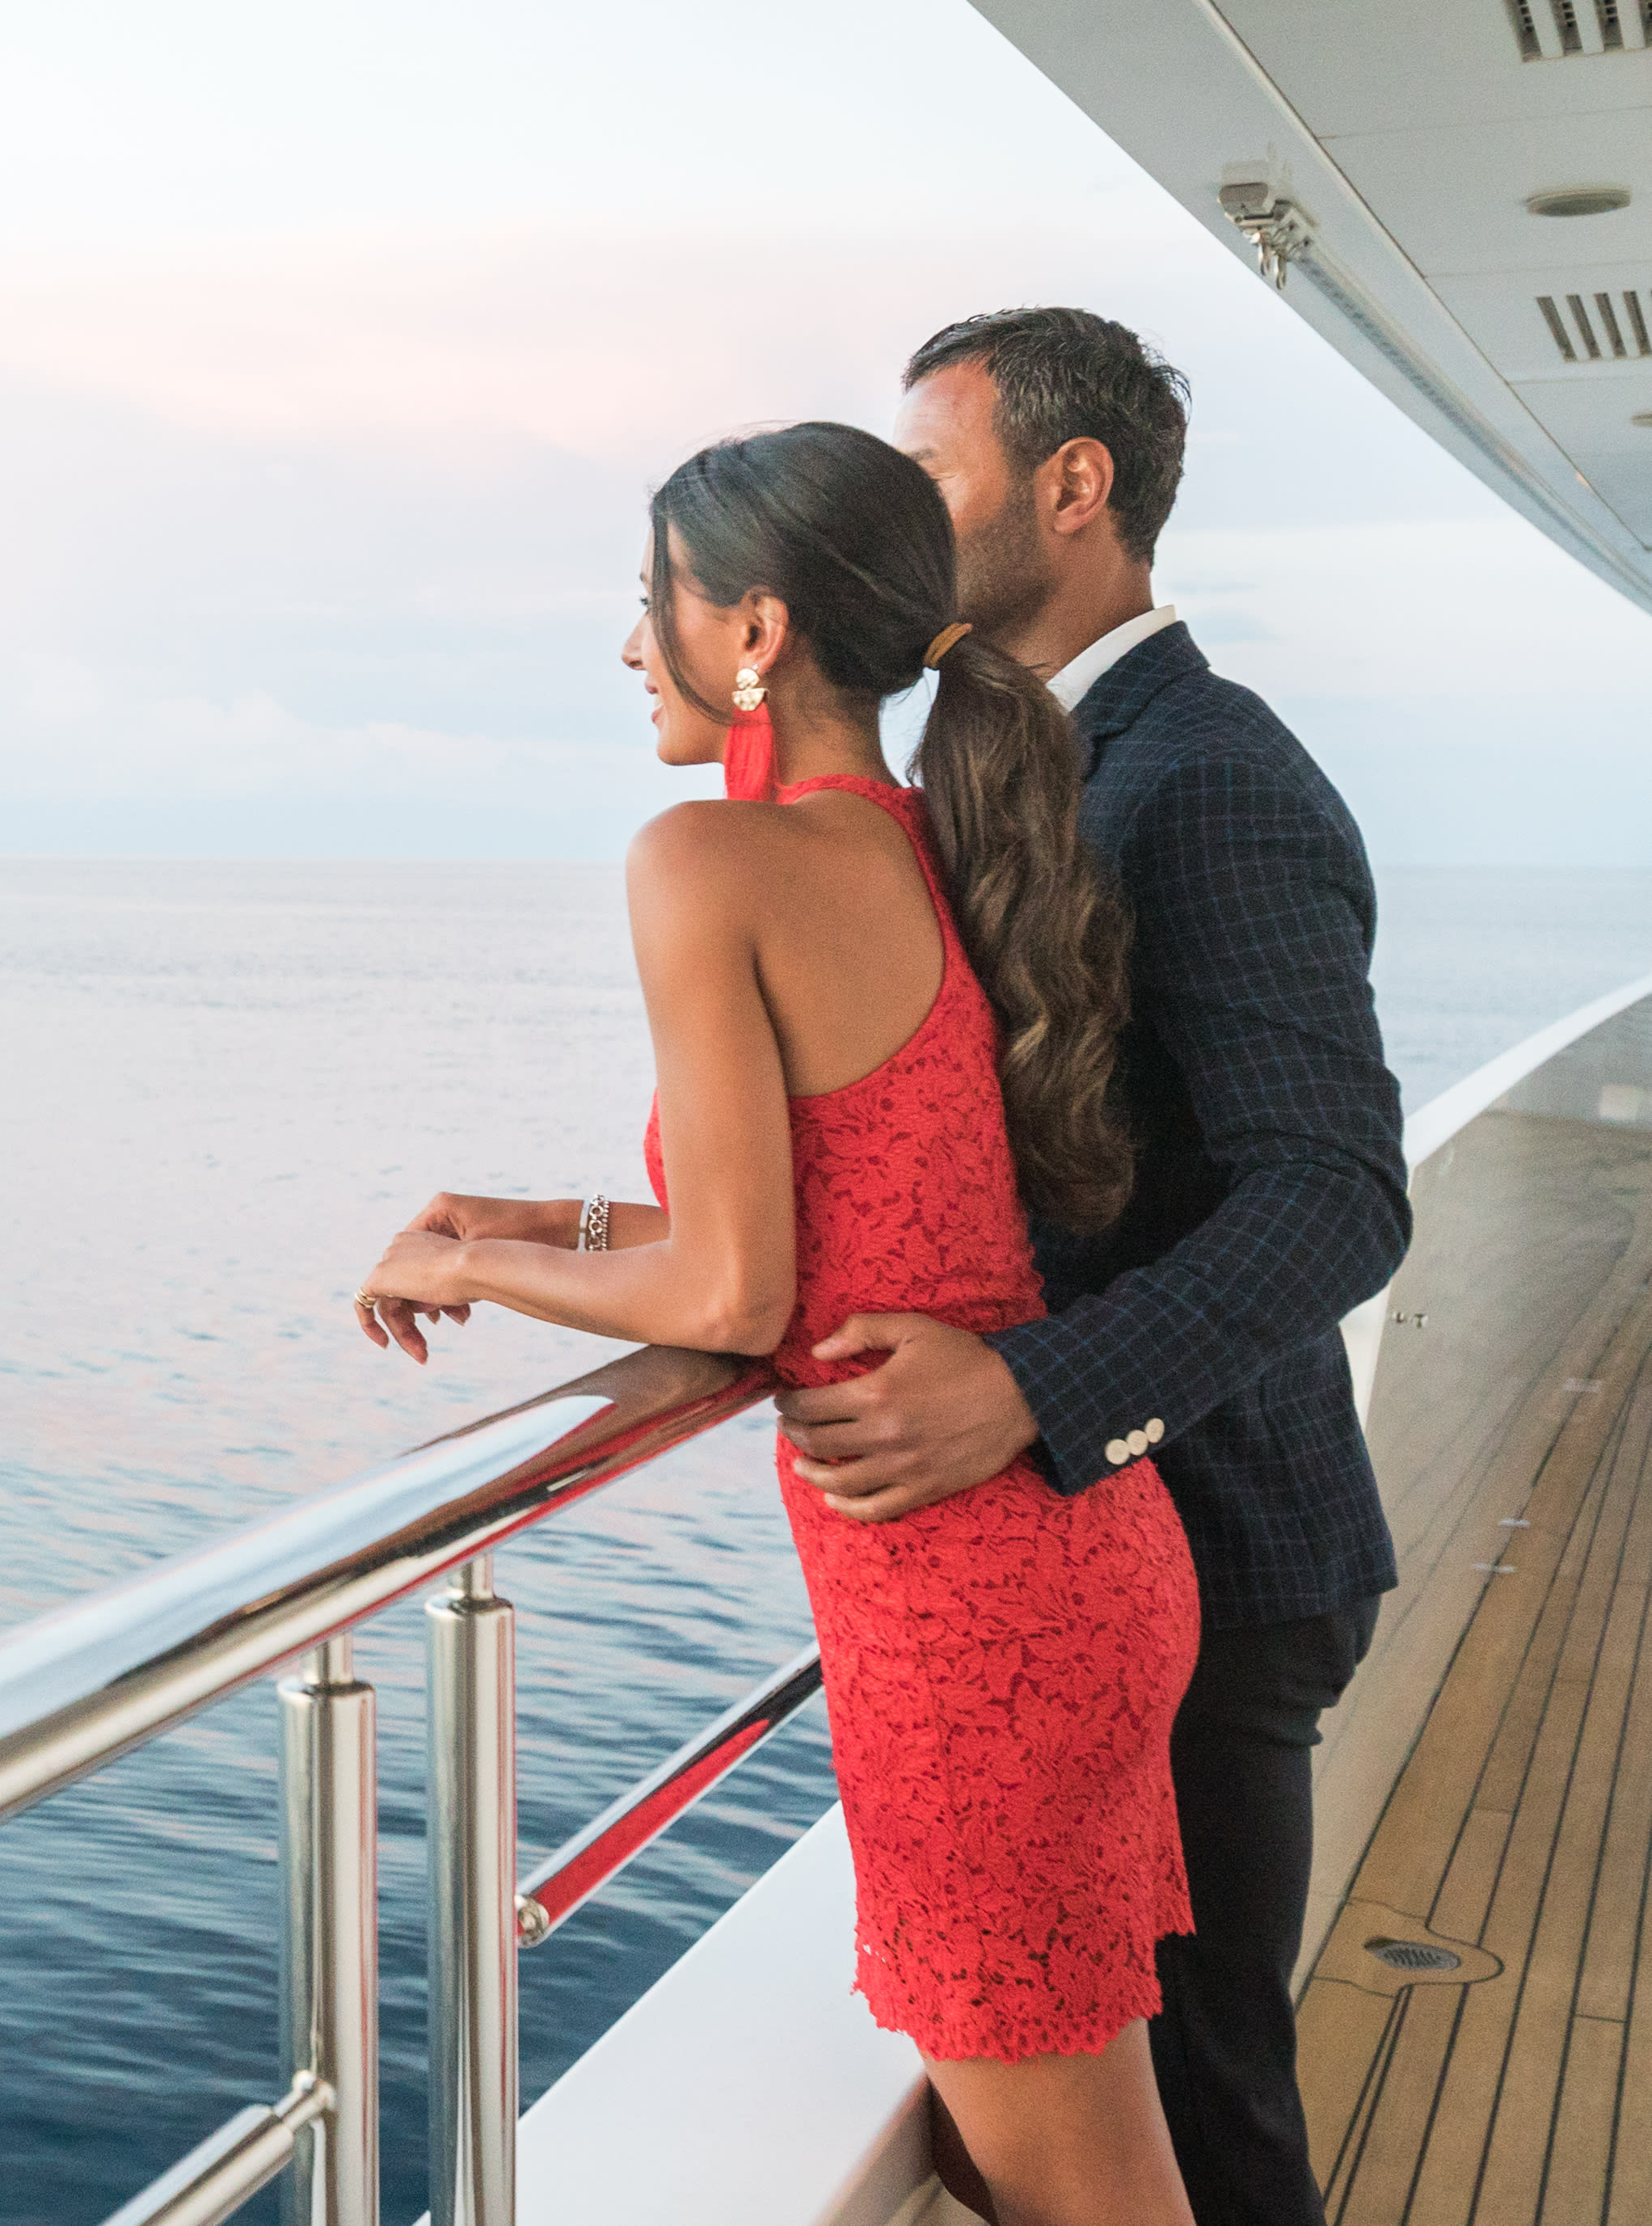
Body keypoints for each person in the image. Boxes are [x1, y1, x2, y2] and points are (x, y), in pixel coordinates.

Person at [354, 419, 1200, 2226]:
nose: (624, 644)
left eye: (643, 598)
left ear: (752, 629)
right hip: (1058, 1564)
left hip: (964, 1616)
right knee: (1074, 2169)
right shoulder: (914, 839)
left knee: (1093, 2203)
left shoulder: (700, 861)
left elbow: (736, 1301)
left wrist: (468, 1272)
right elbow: (851, 1225)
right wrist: (544, 1216)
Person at [776, 310, 1404, 2226]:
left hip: (1209, 1553)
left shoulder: (1200, 770)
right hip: (1095, 1558)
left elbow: (1338, 1194)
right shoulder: (1030, 761)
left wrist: (1033, 1392)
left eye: (928, 474)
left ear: (1073, 489)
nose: (890, 514)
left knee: (1209, 2132)